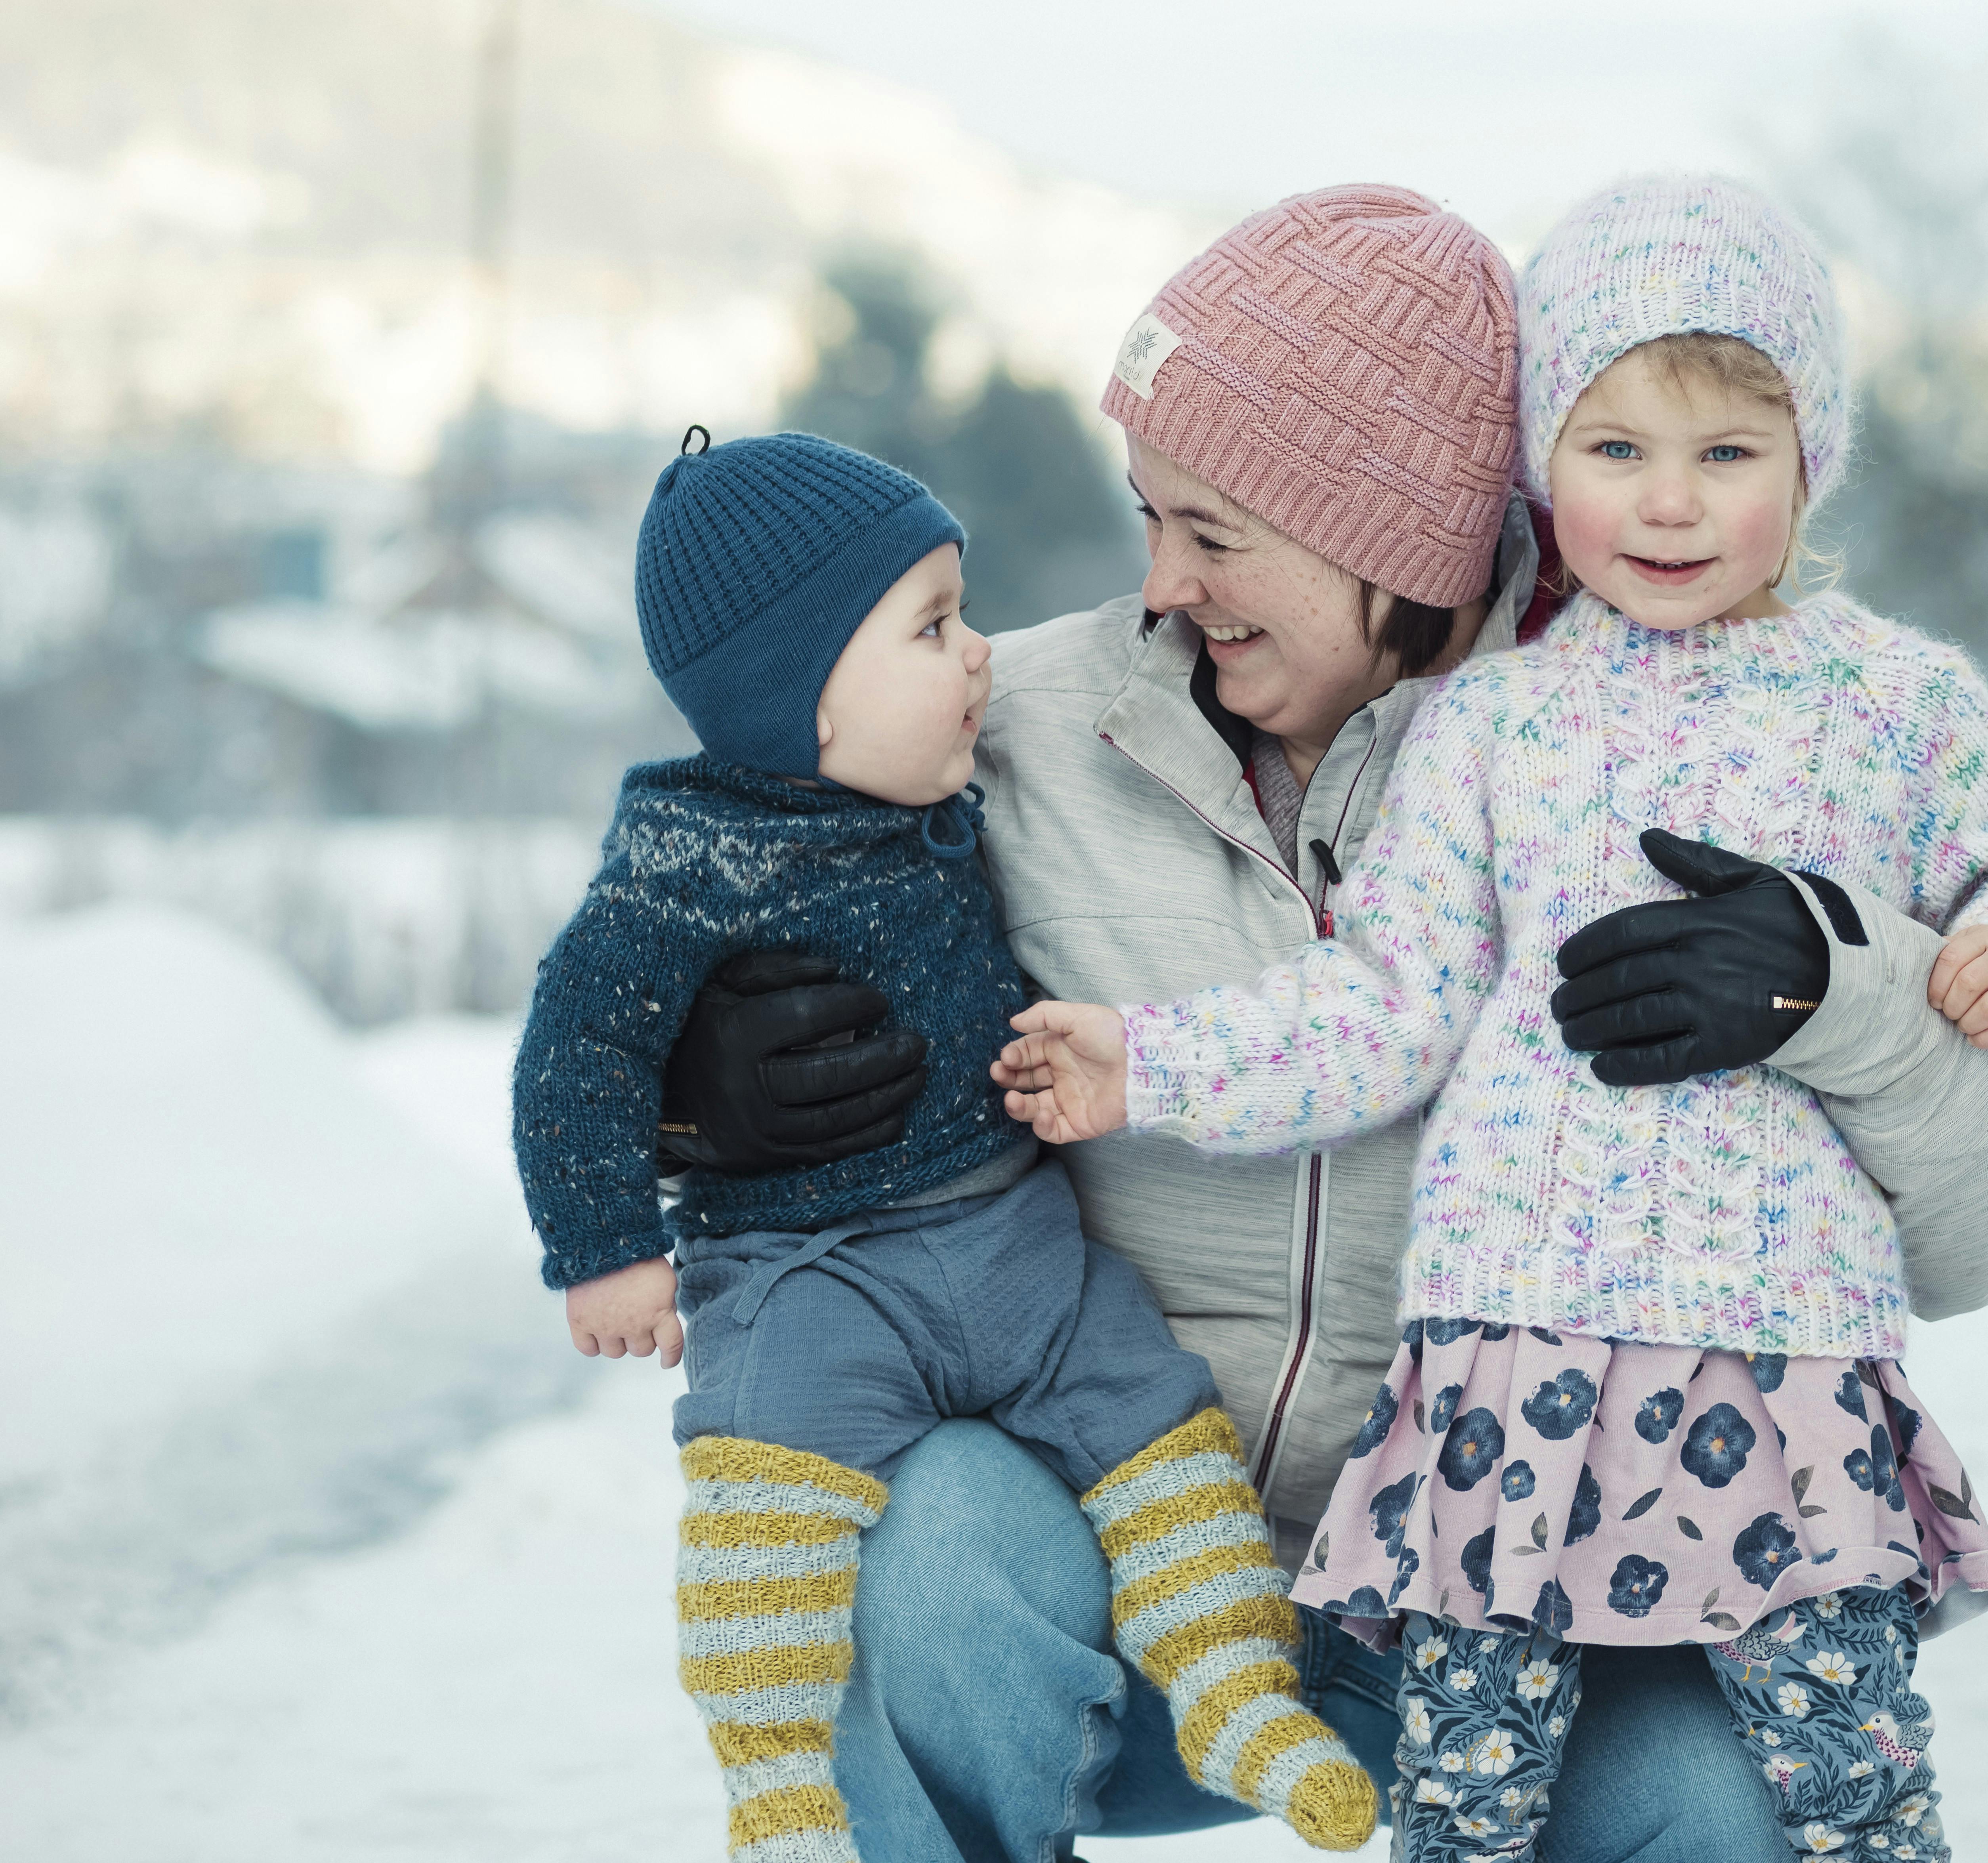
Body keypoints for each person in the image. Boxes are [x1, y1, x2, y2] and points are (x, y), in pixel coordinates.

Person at [659, 183, 1988, 1863]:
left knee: (1724, 1804)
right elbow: (699, 882)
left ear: (1387, 529)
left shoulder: (1695, 748)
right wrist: (691, 1088)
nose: (1156, 585)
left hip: (1513, 1573)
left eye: (1210, 532)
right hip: (1136, 1554)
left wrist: (1832, 994)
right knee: (924, 1546)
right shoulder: (1013, 730)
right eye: (1148, 518)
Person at [509, 429, 1375, 1860]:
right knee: (769, 1500)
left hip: (1012, 1240)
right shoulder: (684, 858)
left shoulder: (957, 793)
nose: (977, 656)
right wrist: (613, 1234)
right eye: (932, 628)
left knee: (1158, 1432)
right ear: (803, 706)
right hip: (810, 1279)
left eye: (964, 614)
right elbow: (575, 1049)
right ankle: (777, 1778)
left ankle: (1233, 1690)